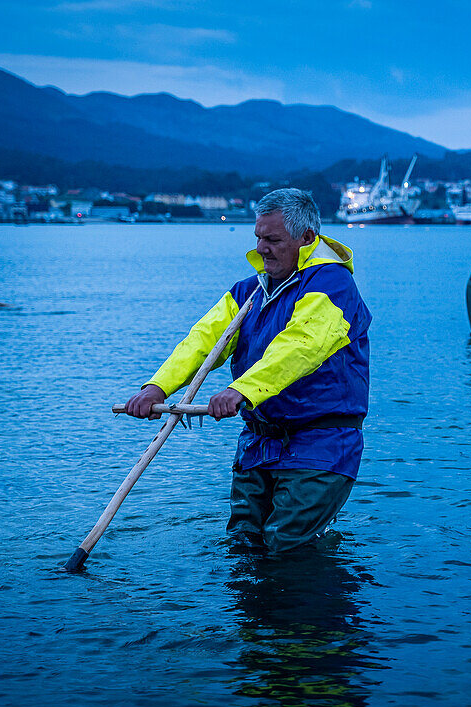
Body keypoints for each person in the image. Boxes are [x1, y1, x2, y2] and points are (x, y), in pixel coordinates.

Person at [124, 188, 371, 553]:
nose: (260, 248)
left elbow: (302, 346)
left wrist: (242, 390)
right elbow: (204, 340)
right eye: (258, 237)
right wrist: (157, 387)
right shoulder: (249, 291)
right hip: (259, 441)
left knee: (286, 546)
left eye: (272, 240)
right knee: (244, 544)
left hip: (321, 443)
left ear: (307, 239)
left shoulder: (333, 285)